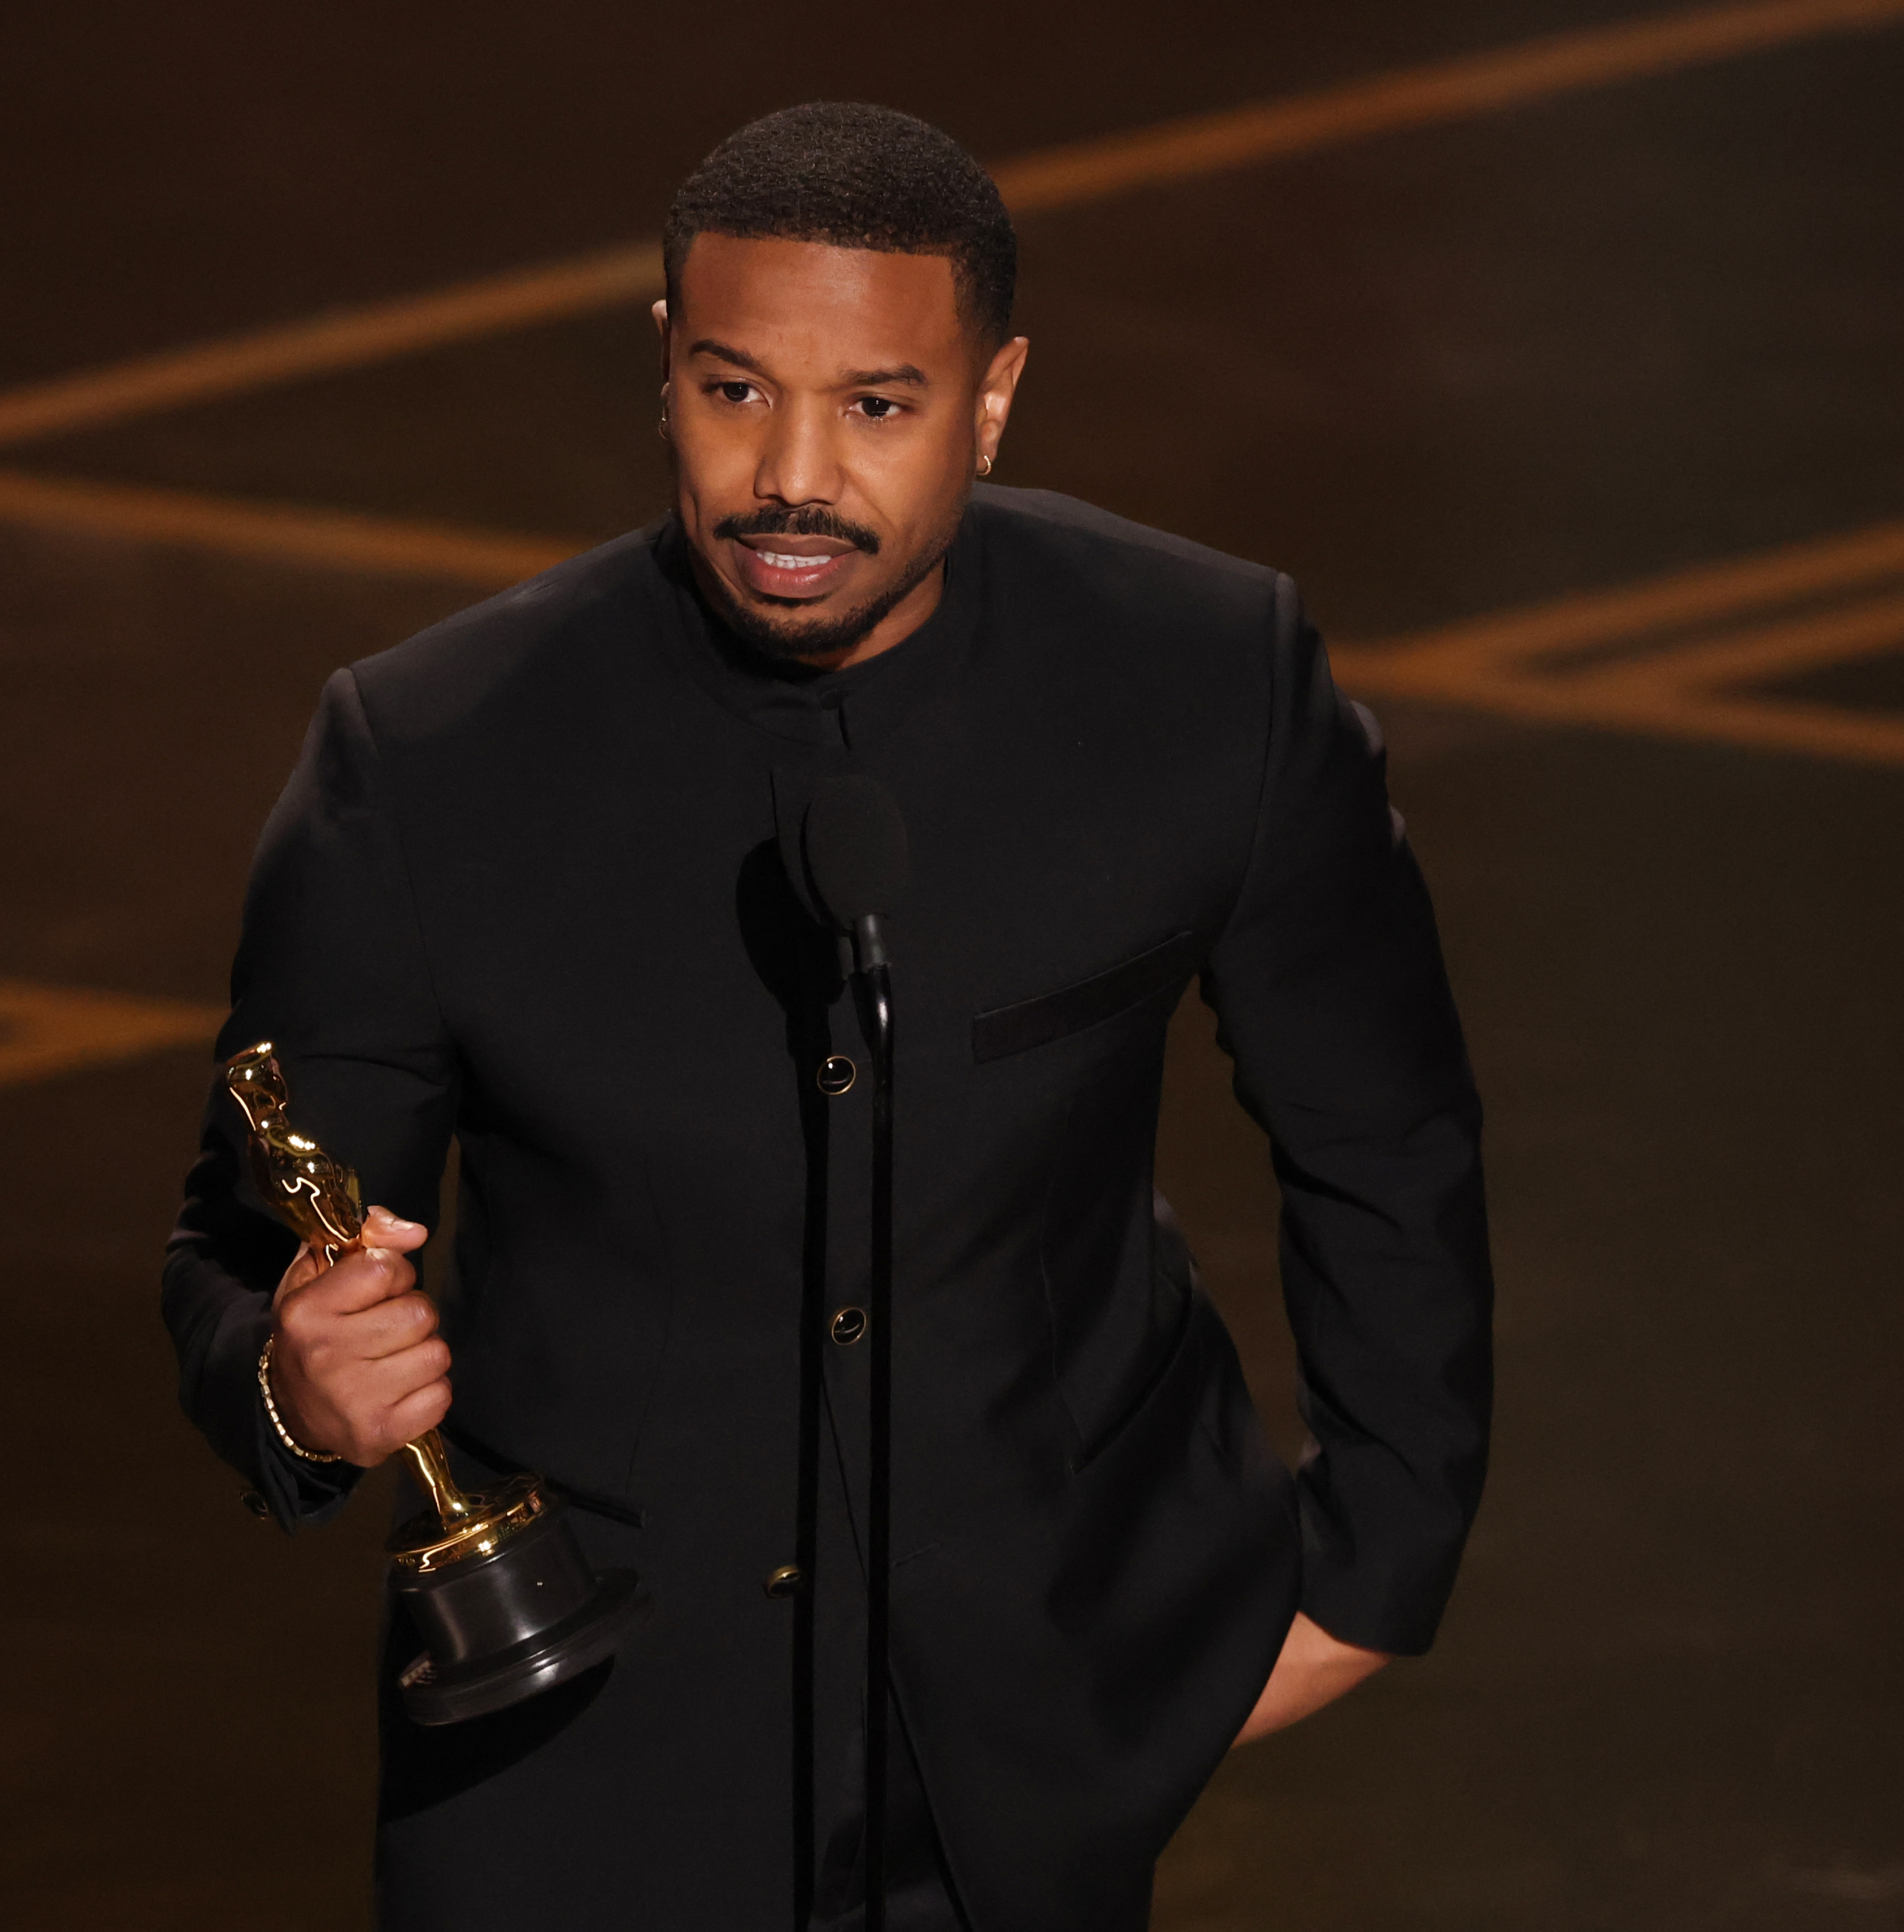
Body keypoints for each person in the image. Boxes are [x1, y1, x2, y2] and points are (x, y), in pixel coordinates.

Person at [162, 101, 1490, 1932]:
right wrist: (300, 1392)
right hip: (587, 1751)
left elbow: (1384, 1134)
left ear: (996, 394)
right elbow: (247, 1249)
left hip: (1033, 1711)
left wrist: (1374, 1572)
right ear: (666, 368)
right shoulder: (430, 761)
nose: (793, 476)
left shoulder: (1205, 684)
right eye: (734, 393)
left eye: (876, 405)